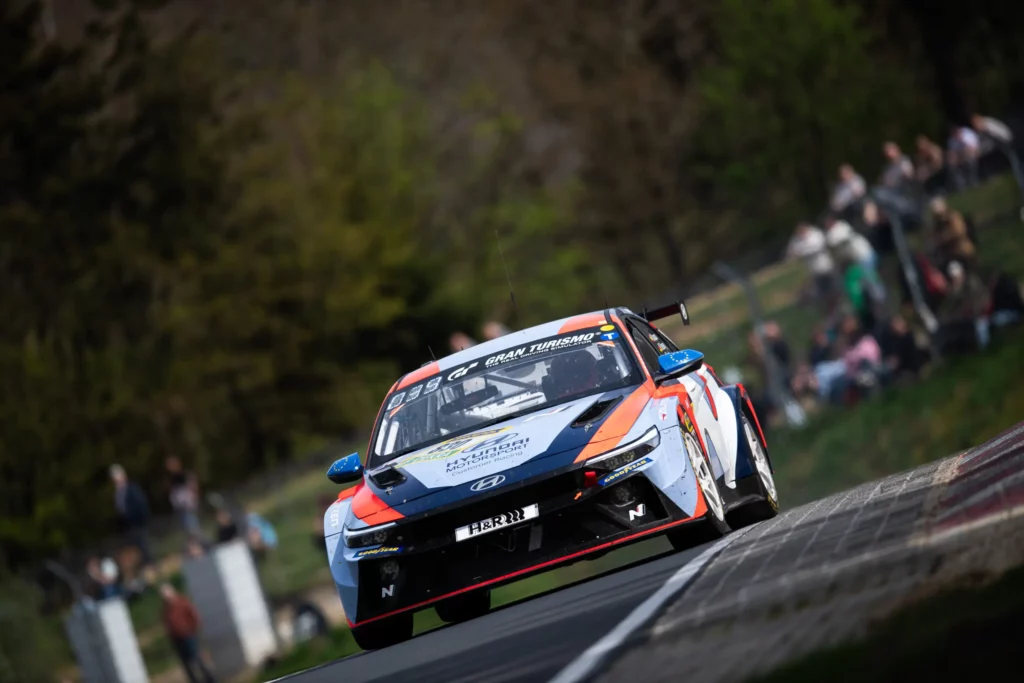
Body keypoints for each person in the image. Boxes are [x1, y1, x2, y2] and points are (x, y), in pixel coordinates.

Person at [160, 584, 217, 683]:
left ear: (172, 592)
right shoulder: (166, 609)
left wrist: (193, 630)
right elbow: (167, 623)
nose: (166, 597)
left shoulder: (183, 602)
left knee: (197, 658)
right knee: (186, 663)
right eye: (163, 596)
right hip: (177, 639)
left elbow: (194, 616)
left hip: (189, 636)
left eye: (166, 594)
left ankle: (210, 678)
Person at [110, 464, 155, 587]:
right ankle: (141, 569)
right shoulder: (118, 492)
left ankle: (149, 566)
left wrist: (142, 519)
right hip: (129, 526)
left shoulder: (132, 488)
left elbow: (140, 505)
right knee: (136, 547)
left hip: (138, 522)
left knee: (143, 544)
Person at [936, 260, 991, 354]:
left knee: (980, 328)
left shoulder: (972, 283)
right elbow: (949, 308)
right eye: (953, 278)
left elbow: (978, 302)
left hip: (980, 315)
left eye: (956, 277)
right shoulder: (954, 290)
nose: (956, 279)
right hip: (964, 319)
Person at [785, 222, 836, 308]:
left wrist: (806, 252)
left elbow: (822, 245)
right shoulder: (796, 240)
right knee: (823, 294)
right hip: (814, 271)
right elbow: (792, 253)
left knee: (834, 290)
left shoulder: (815, 234)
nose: (801, 235)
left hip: (826, 267)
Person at [928, 196, 977, 271]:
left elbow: (959, 231)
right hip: (949, 256)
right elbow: (934, 237)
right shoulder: (936, 224)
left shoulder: (953, 216)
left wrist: (943, 238)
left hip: (962, 251)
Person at [879, 313, 929, 381]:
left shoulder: (912, 334)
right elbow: (894, 360)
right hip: (904, 370)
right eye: (895, 323)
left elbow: (923, 346)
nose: (898, 325)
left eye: (899, 322)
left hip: (919, 364)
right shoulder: (891, 341)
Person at [167, 457, 201, 535]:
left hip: (188, 505)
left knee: (193, 527)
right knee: (187, 528)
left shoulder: (183, 474)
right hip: (180, 507)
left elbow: (192, 486)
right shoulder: (172, 478)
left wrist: (192, 498)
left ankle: (198, 542)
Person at [946, 123, 980, 190]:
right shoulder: (951, 141)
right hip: (961, 158)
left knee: (970, 161)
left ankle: (974, 181)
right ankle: (962, 186)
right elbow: (952, 154)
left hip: (973, 152)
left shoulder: (967, 134)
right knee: (951, 167)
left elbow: (973, 148)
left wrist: (961, 141)